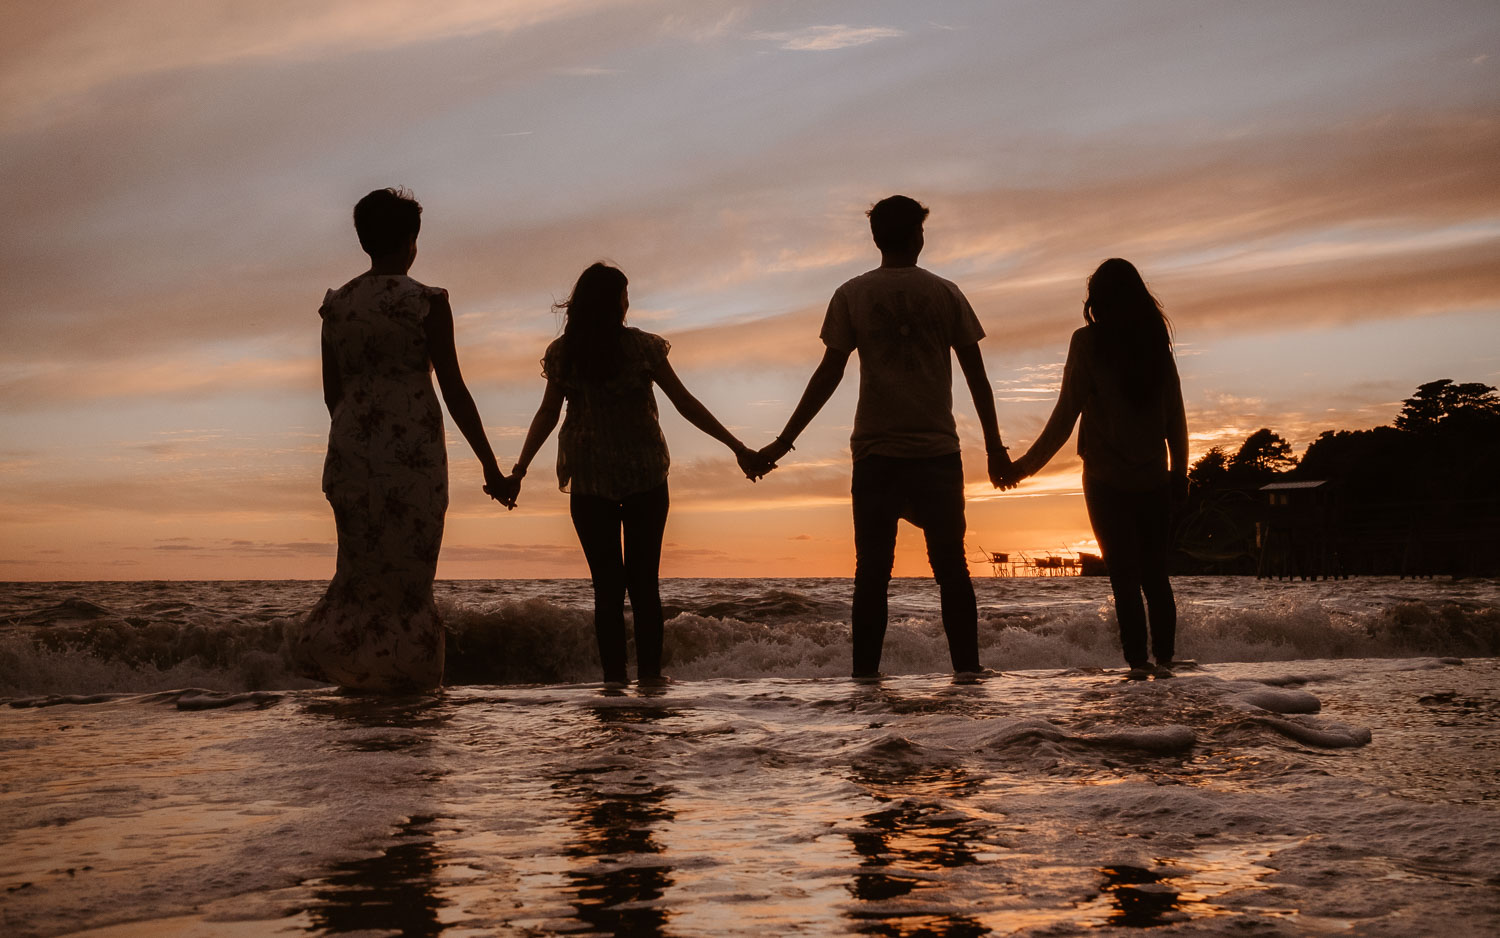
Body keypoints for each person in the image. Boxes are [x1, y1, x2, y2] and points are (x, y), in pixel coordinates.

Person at [757, 195, 1012, 680]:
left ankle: (864, 682)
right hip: (937, 452)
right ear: (917, 235)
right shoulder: (947, 292)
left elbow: (827, 374)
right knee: (951, 568)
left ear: (877, 238)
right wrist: (995, 448)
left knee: (872, 573)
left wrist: (782, 442)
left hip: (875, 455)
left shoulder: (852, 293)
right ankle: (968, 675)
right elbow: (977, 376)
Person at [297, 188, 513, 692]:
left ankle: (356, 682)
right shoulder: (426, 303)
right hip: (413, 453)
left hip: (351, 450)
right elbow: (454, 389)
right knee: (411, 580)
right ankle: (410, 687)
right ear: (411, 240)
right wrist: (489, 465)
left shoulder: (338, 306)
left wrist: (357, 441)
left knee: (360, 573)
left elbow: (335, 394)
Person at [510, 262, 763, 687]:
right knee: (644, 587)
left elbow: (548, 414)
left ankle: (614, 686)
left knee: (607, 590)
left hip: (591, 479)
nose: (629, 303)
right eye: (625, 295)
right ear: (616, 302)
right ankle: (649, 684)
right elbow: (684, 402)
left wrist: (518, 470)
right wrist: (737, 448)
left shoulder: (566, 351)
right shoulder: (640, 348)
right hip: (643, 475)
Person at [1005, 258, 1188, 680]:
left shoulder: (1088, 343)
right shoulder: (1154, 343)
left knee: (1124, 577)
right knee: (1155, 577)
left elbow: (1064, 417)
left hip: (1107, 482)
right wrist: (1180, 473)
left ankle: (1139, 666)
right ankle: (1166, 664)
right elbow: (1175, 415)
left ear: (1098, 301)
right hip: (1153, 479)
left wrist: (1022, 469)